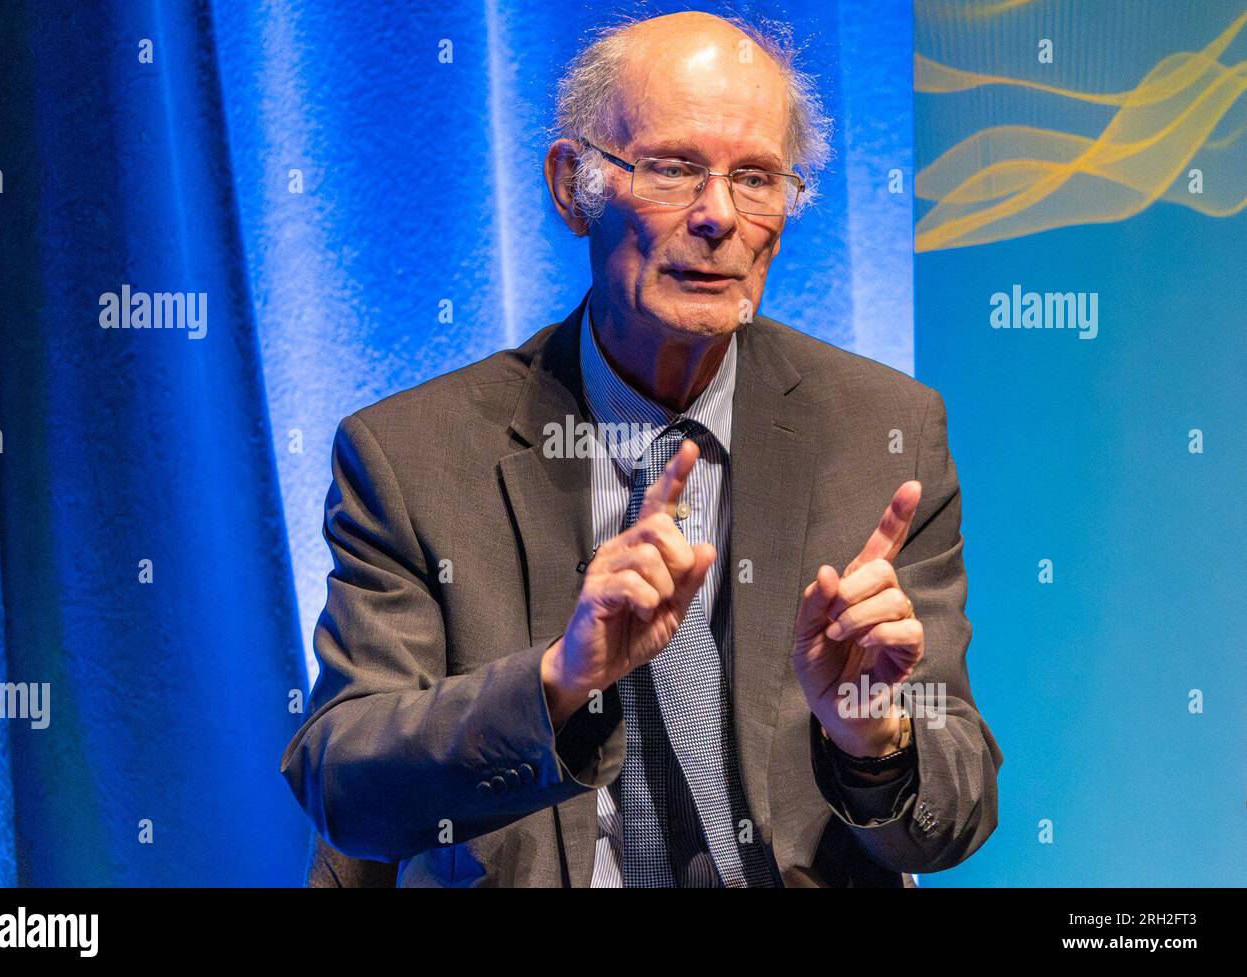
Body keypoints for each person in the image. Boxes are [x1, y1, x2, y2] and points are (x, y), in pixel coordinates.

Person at [281, 10, 1000, 887]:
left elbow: (953, 814)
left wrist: (871, 737)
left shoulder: (884, 432)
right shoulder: (410, 456)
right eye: (671, 169)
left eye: (757, 178)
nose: (718, 217)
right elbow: (345, 783)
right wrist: (557, 680)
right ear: (570, 184)